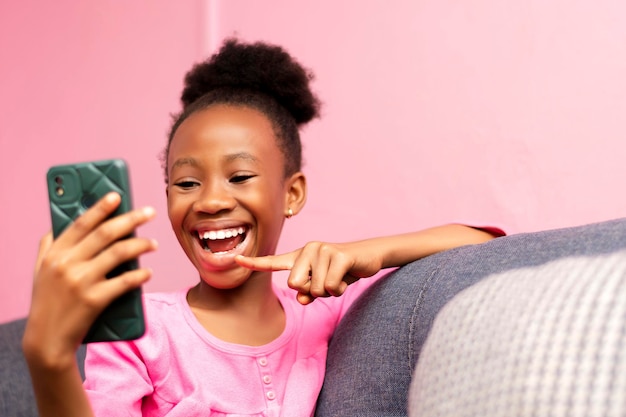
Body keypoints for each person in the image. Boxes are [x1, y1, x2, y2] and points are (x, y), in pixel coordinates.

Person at [22, 38, 502, 416]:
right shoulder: (139, 333)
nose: (210, 200)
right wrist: (50, 361)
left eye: (240, 176)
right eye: (186, 182)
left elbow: (481, 246)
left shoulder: (324, 310)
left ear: (291, 194)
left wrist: (363, 253)